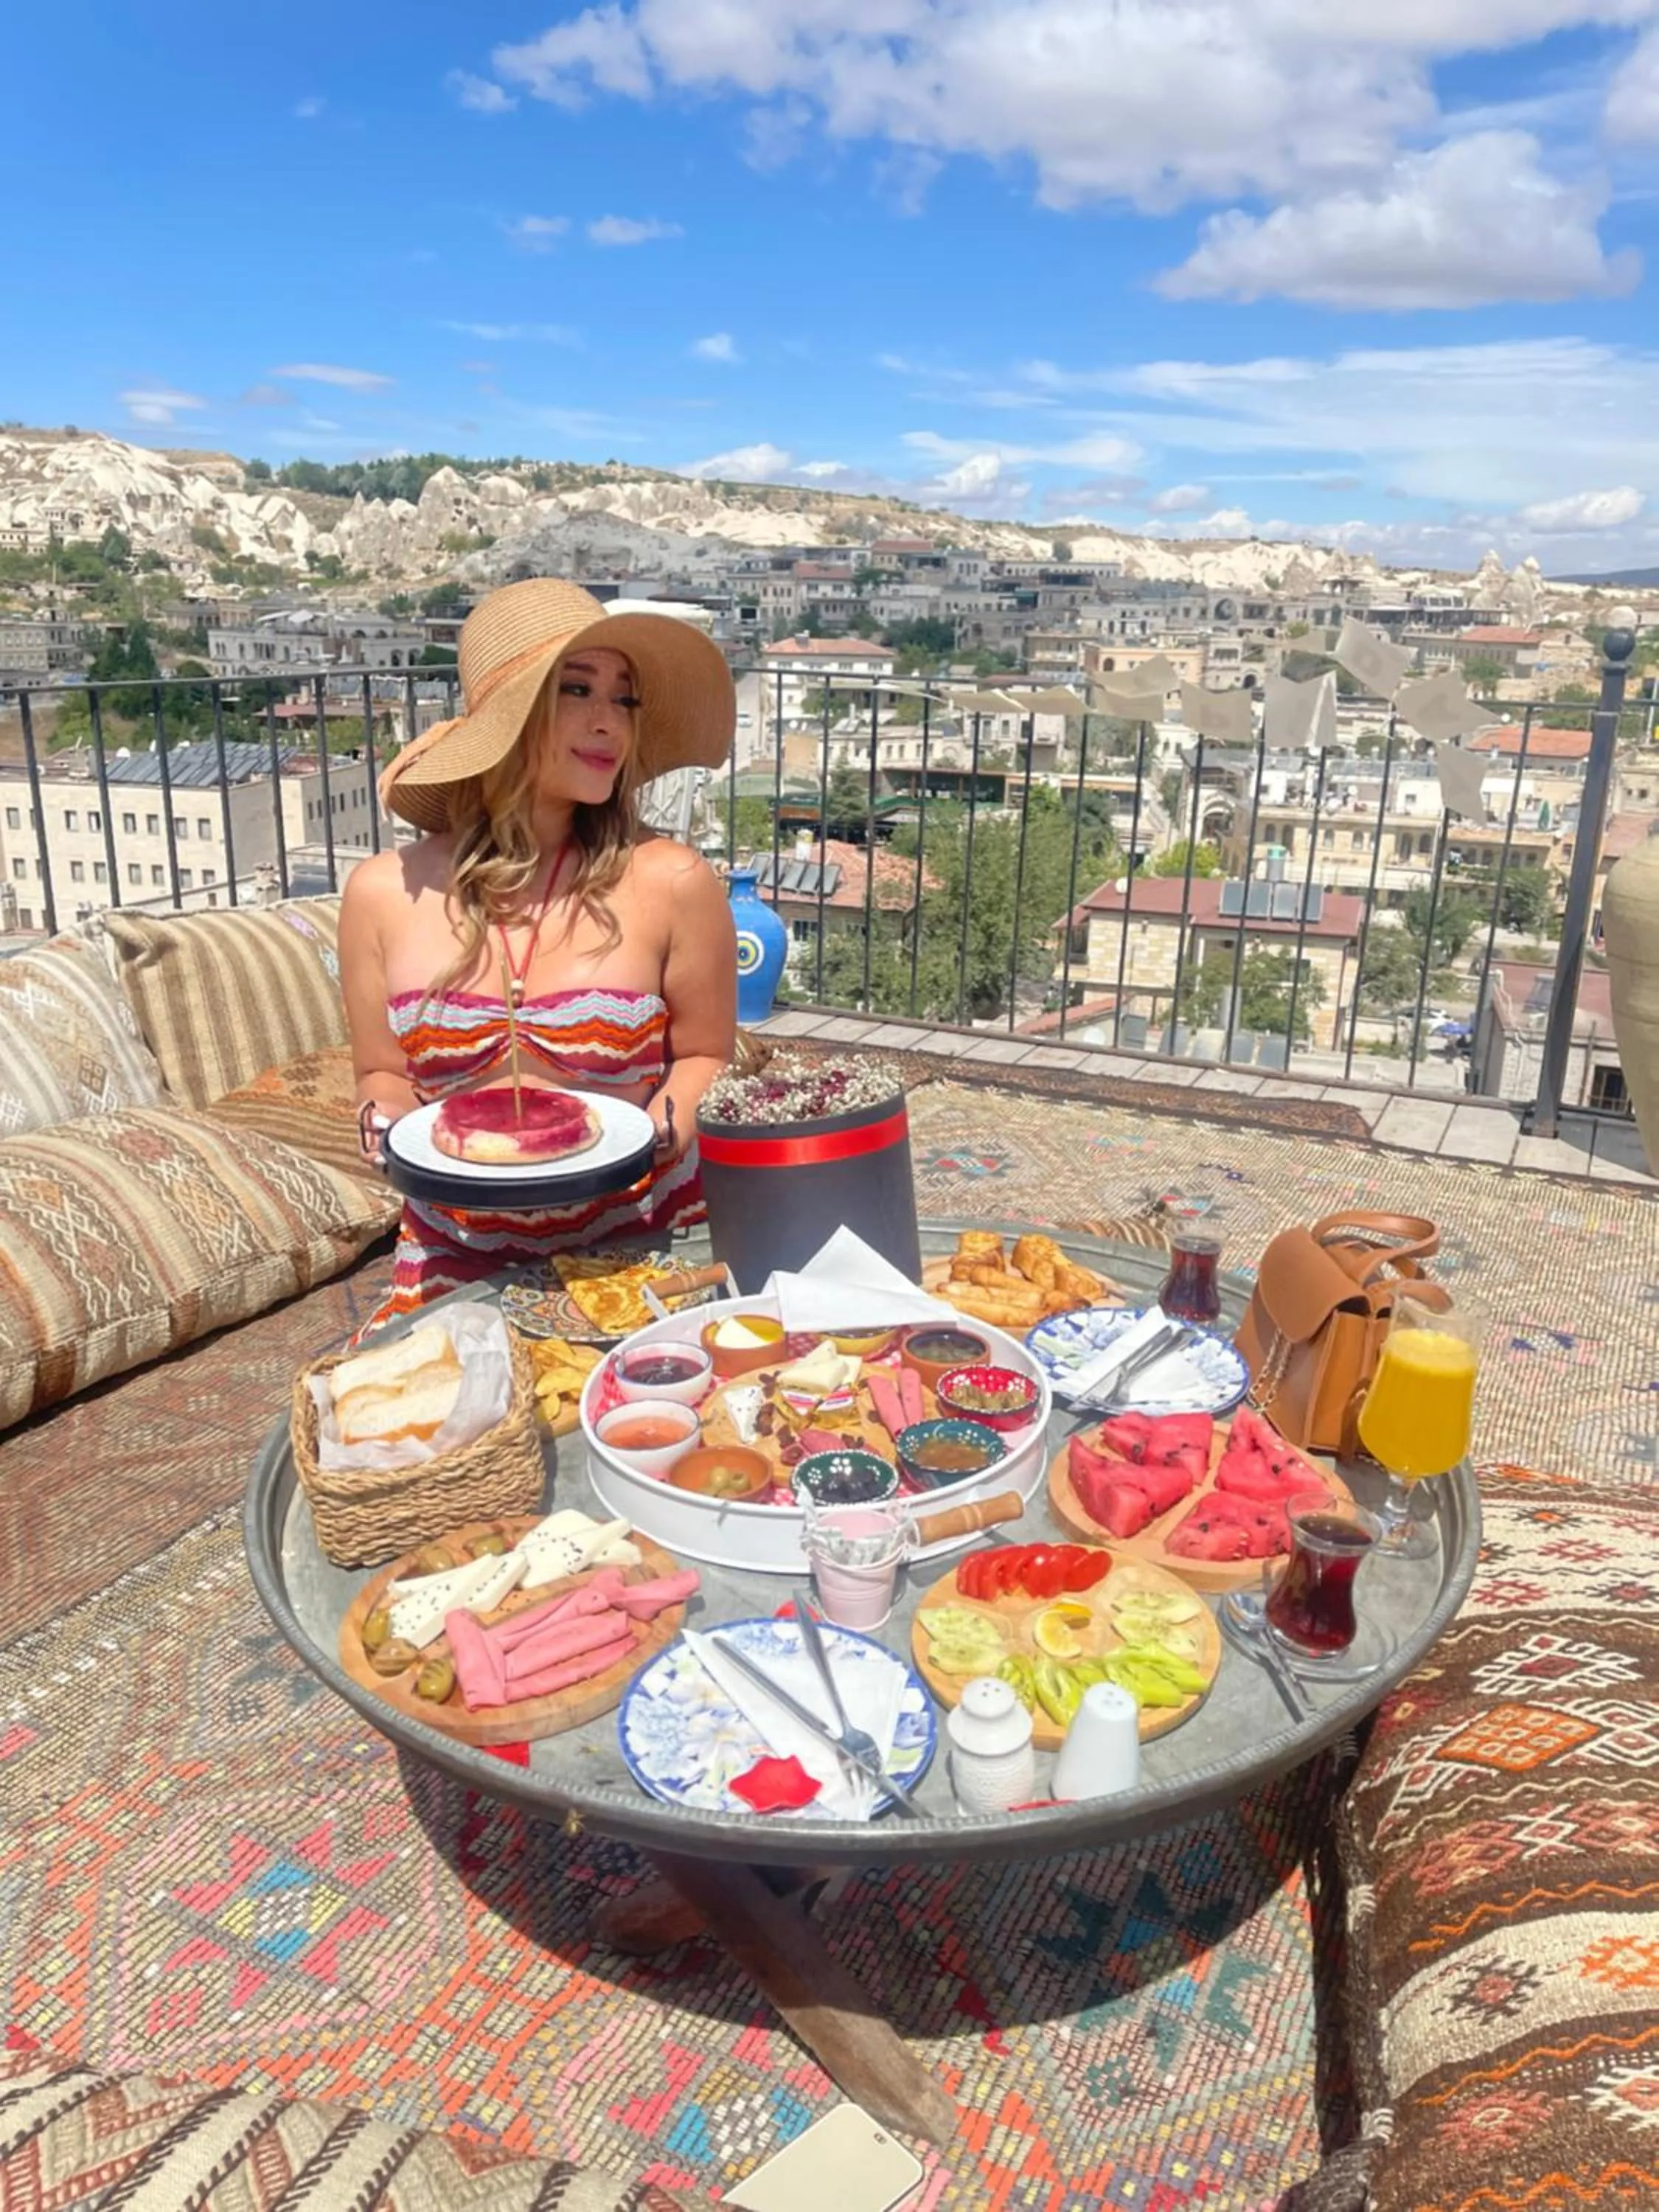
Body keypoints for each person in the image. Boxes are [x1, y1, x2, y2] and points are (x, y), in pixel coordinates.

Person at [341, 577, 737, 1334]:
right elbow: (381, 1073)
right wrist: (380, 1120)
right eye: (576, 689)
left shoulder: (673, 880)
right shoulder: (382, 893)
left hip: (643, 1248)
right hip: (455, 1254)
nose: (609, 722)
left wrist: (662, 1130)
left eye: (623, 698)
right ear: (505, 720)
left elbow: (705, 1054)